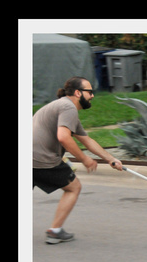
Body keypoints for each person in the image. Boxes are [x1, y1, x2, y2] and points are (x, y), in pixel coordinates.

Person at [33, 76, 124, 244]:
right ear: (78, 92)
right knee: (74, 187)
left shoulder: (62, 106)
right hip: (41, 160)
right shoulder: (68, 107)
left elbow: (87, 140)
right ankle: (54, 231)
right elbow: (63, 137)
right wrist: (84, 159)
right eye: (89, 92)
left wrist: (111, 159)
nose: (92, 96)